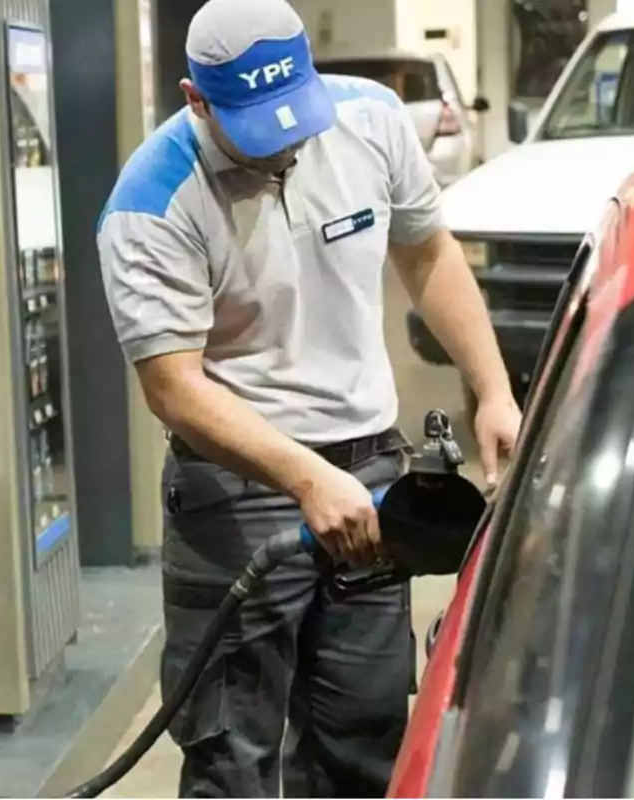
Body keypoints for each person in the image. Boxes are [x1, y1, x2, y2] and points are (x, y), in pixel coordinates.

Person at [95, 0, 521, 796]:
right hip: (235, 485)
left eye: (298, 115)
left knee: (363, 736)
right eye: (262, 128)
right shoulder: (150, 204)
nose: (289, 142)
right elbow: (174, 388)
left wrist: (492, 389)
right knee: (231, 750)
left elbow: (428, 251)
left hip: (369, 462)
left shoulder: (371, 120)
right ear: (196, 99)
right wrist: (302, 476)